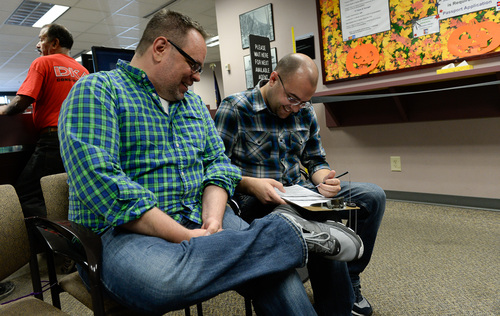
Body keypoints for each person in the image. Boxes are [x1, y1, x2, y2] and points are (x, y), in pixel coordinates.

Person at [58, 10, 362, 315]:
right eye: (193, 65)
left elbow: (219, 164)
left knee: (270, 269)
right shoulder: (97, 90)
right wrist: (185, 236)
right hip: (122, 231)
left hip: (198, 212)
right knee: (161, 285)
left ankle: (280, 238)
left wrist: (214, 219)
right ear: (160, 47)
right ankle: (286, 235)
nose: (197, 76)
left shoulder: (192, 104)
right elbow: (103, 182)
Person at [214, 53, 386, 316]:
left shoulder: (303, 110)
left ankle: (349, 278)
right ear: (273, 79)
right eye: (292, 99)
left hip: (304, 192)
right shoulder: (235, 108)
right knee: (323, 228)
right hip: (258, 201)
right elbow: (216, 168)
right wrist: (251, 185)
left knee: (373, 197)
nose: (296, 107)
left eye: (304, 101)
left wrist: (325, 179)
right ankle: (308, 226)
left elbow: (316, 160)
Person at [0, 24, 88, 218]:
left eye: (41, 39)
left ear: (55, 43)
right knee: (63, 193)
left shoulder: (43, 63)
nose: (38, 45)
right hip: (80, 142)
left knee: (25, 195)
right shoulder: (83, 72)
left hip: (53, 142)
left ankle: (54, 240)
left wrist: (3, 109)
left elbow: (19, 105)